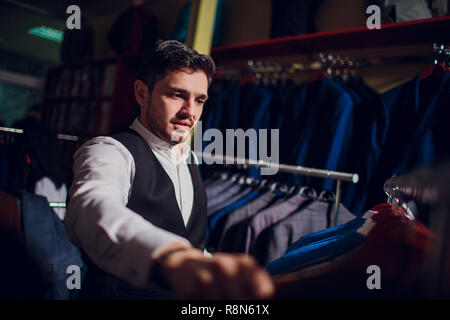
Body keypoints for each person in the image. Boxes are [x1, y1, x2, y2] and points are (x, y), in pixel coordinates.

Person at [65, 40, 275, 300]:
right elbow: (90, 208)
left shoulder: (189, 158)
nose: (190, 112)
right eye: (177, 95)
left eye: (199, 100)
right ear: (142, 93)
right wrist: (172, 256)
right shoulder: (110, 151)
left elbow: (191, 240)